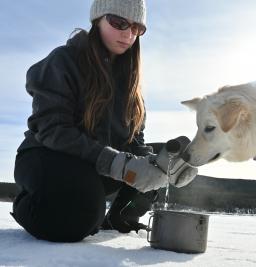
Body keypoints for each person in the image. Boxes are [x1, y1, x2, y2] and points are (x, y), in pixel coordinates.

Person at [11, 0, 198, 243]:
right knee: (82, 215)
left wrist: (157, 164)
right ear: (97, 19)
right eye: (119, 23)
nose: (128, 34)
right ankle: (32, 204)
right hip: (47, 158)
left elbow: (134, 141)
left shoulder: (131, 83)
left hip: (94, 169)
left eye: (137, 28)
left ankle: (121, 216)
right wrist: (119, 164)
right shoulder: (64, 61)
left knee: (170, 155)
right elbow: (53, 130)